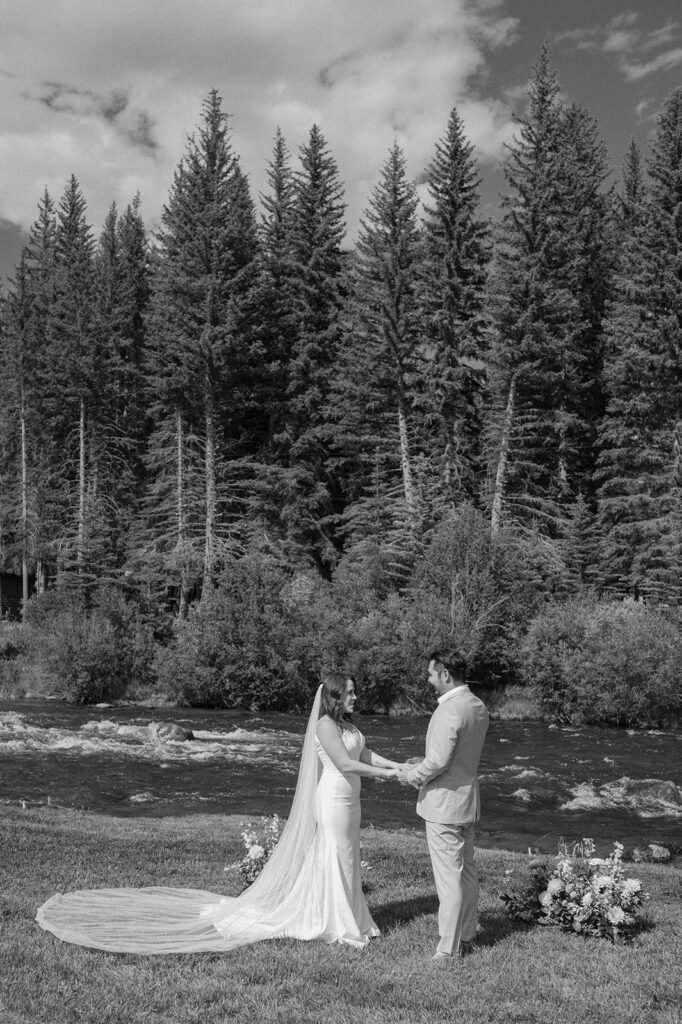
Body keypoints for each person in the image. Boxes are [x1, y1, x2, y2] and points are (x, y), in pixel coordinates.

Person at [35, 673, 402, 954]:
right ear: (336, 696)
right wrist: (388, 775)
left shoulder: (348, 726)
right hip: (334, 799)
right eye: (351, 692)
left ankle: (352, 918)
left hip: (350, 802)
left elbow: (362, 756)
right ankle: (339, 924)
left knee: (347, 856)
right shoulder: (325, 725)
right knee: (336, 855)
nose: (356, 696)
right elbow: (343, 764)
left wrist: (398, 766)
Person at [398, 650, 489, 963]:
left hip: (443, 805)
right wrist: (422, 762)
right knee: (466, 870)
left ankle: (448, 949)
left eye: (430, 673)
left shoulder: (450, 710)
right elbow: (456, 755)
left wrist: (412, 775)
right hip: (466, 801)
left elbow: (439, 760)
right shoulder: (477, 705)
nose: (428, 679)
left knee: (449, 877)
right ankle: (467, 932)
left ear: (445, 674)